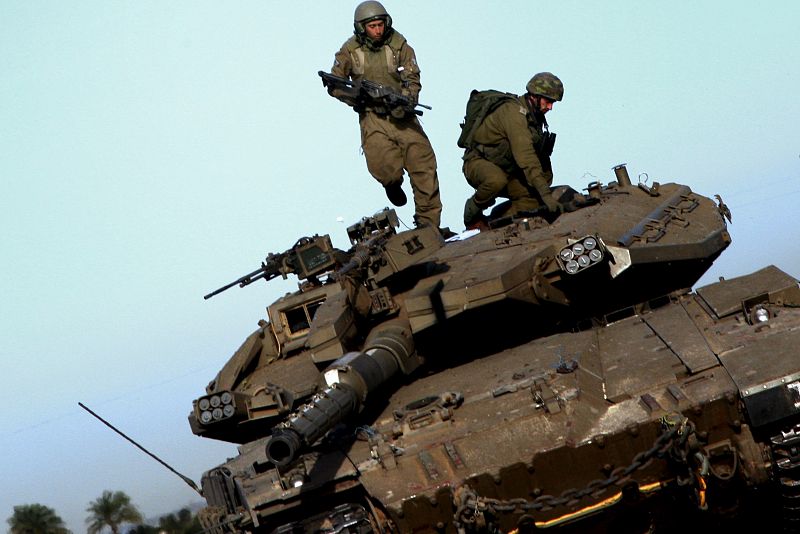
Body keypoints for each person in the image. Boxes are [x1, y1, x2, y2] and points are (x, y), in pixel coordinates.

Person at [327, 1, 442, 230]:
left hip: (403, 117)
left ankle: (428, 226)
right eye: (372, 26)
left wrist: (407, 100)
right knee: (384, 169)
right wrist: (356, 97)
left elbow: (412, 78)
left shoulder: (400, 46)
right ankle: (392, 184)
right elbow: (334, 83)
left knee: (424, 167)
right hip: (373, 117)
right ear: (362, 27)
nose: (378, 30)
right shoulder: (349, 51)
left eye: (380, 25)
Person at [461, 72, 564, 230]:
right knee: (496, 180)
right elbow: (526, 157)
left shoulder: (534, 117)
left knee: (530, 200)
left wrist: (542, 189)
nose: (550, 107)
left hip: (508, 169)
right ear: (534, 96)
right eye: (548, 101)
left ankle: (496, 223)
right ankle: (472, 213)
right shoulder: (514, 114)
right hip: (478, 163)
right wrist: (546, 195)